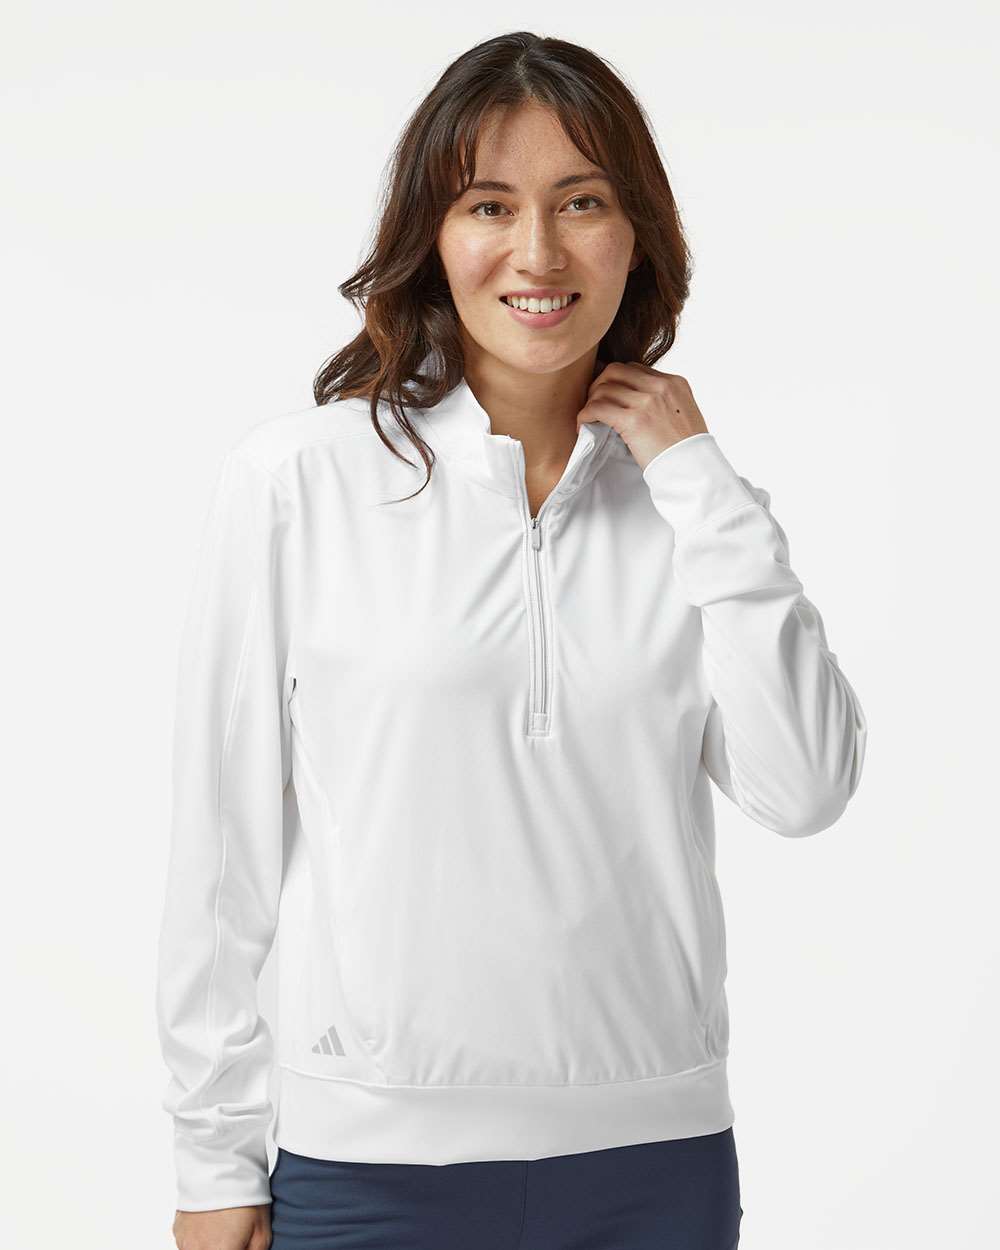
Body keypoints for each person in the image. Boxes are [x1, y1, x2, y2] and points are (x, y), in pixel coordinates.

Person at [155, 30, 868, 1250]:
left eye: (581, 202)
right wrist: (210, 1157)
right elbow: (222, 848)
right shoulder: (300, 482)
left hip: (655, 1164)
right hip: (371, 1167)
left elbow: (804, 787)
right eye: (490, 204)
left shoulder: (694, 508)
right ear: (432, 234)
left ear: (636, 232)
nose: (537, 253)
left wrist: (698, 480)